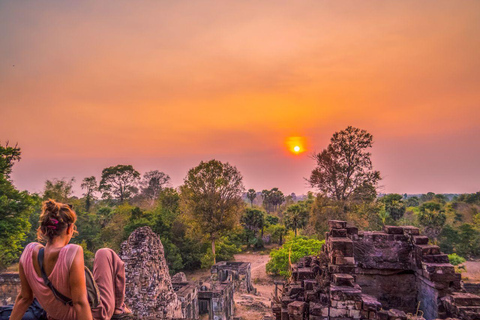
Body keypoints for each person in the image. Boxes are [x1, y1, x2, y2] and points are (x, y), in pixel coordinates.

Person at [10, 199, 133, 320]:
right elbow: (80, 303)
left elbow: (24, 298)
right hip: (93, 314)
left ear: (43, 230)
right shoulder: (71, 252)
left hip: (56, 314)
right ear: (70, 229)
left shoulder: (28, 252)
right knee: (105, 253)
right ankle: (118, 309)